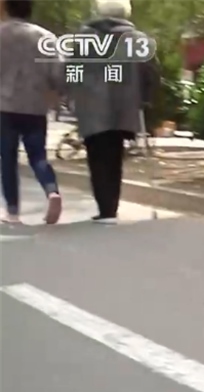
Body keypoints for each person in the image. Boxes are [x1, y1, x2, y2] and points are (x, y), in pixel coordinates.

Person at [70, 0, 158, 224]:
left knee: (96, 156)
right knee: (115, 156)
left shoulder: (84, 38)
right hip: (124, 107)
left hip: (92, 107)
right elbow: (150, 72)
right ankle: (111, 208)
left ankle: (105, 209)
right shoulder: (138, 39)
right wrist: (145, 99)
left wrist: (73, 95)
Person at [0, 0, 64, 224]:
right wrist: (56, 94)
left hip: (5, 107)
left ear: (6, 8)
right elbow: (59, 72)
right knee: (38, 155)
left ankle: (13, 211)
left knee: (7, 158)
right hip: (36, 105)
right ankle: (51, 190)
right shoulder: (45, 37)